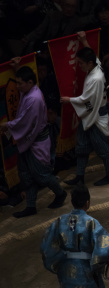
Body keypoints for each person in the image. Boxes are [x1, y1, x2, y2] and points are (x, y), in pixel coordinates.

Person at [0, 65, 67, 218]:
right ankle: (31, 206)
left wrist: (8, 125)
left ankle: (60, 193)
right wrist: (17, 67)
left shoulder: (34, 99)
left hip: (36, 139)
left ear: (30, 82)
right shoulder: (28, 90)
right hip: (27, 140)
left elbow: (25, 122)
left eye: (20, 83)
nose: (17, 86)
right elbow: (24, 120)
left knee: (41, 174)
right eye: (16, 83)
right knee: (25, 175)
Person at [61, 31, 109, 187]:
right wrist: (84, 41)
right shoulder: (95, 67)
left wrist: (69, 100)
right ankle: (80, 176)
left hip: (96, 115)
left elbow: (86, 99)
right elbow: (95, 57)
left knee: (103, 148)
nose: (80, 66)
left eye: (81, 63)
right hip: (89, 114)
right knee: (82, 146)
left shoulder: (96, 78)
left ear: (89, 63)